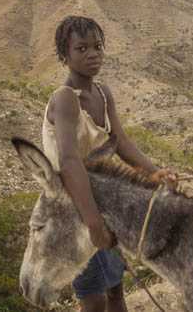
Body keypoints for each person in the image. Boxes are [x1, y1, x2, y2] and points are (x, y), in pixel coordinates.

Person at [42, 15, 176, 312]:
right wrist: (93, 223)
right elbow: (68, 161)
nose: (93, 54)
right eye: (82, 48)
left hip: (103, 201)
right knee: (94, 299)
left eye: (98, 46)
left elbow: (122, 142)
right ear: (64, 55)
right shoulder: (64, 99)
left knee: (116, 290)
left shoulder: (102, 93)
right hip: (75, 206)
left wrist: (155, 172)